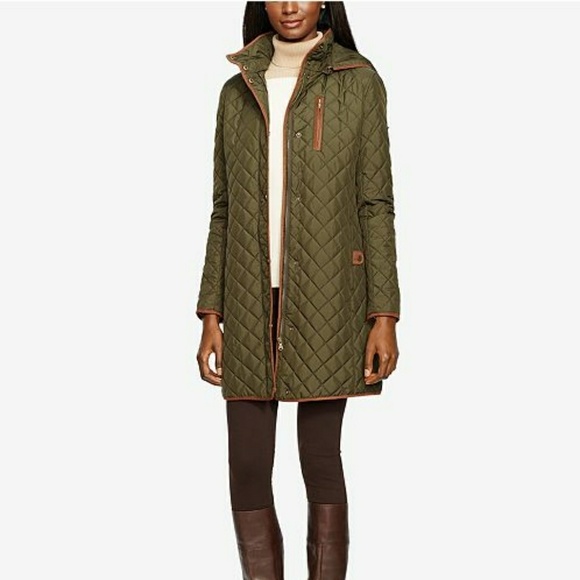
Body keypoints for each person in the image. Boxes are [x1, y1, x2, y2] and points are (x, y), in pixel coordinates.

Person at [196, 2, 401, 578]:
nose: (290, 5)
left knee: (319, 458)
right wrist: (210, 312)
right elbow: (222, 209)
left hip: (329, 297)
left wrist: (384, 313)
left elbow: (375, 204)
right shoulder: (236, 91)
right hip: (247, 297)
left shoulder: (358, 81)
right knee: (246, 466)